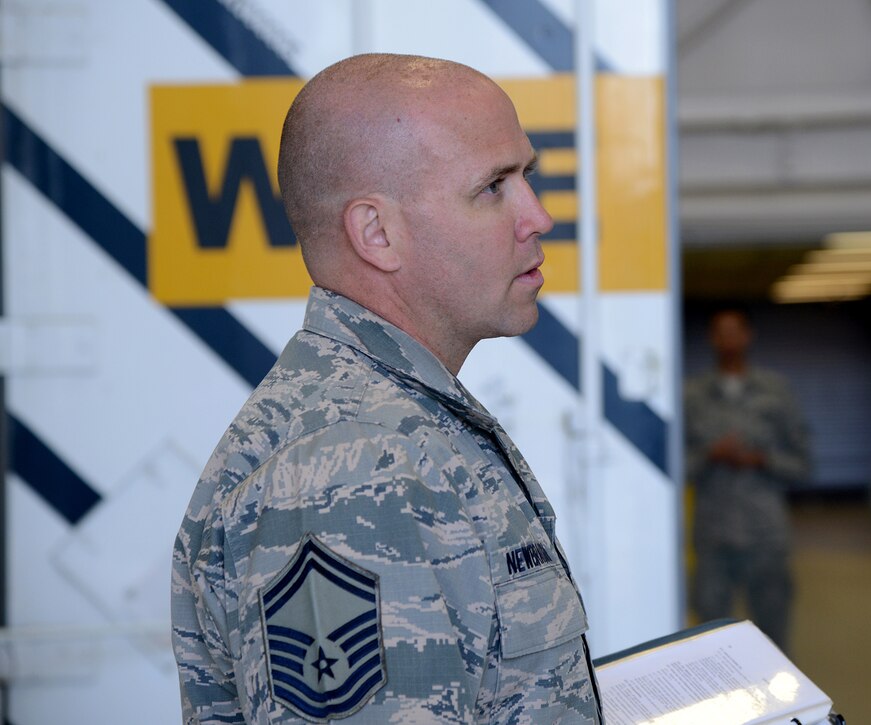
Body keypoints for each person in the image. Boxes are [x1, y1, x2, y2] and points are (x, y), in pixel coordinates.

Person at [171, 53, 601, 723]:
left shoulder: (403, 421)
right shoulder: (341, 467)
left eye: (526, 178)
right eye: (494, 186)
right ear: (377, 233)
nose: (538, 216)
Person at [684, 308, 810, 649]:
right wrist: (711, 454)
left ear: (747, 336)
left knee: (773, 642)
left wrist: (762, 459)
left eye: (734, 331)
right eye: (720, 332)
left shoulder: (776, 392)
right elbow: (673, 469)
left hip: (765, 535)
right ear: (712, 339)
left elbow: (803, 463)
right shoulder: (691, 396)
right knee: (709, 642)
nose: (728, 339)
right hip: (713, 538)